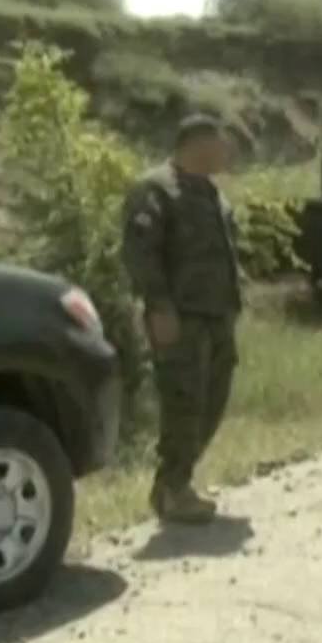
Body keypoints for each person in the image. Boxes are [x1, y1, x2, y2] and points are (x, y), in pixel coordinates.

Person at [120, 114, 243, 525]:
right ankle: (174, 487)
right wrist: (159, 307)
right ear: (199, 143)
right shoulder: (156, 190)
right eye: (221, 143)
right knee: (183, 403)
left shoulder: (211, 193)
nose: (227, 152)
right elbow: (141, 253)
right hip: (180, 317)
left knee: (213, 401)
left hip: (217, 316)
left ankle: (175, 483)